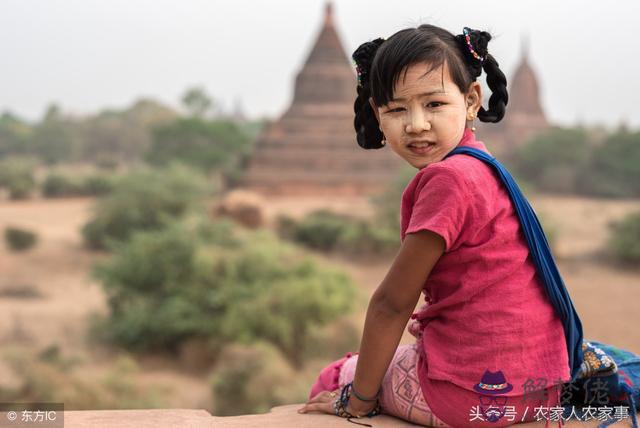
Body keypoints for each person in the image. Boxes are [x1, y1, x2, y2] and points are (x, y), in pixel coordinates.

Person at [297, 24, 573, 427]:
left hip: (470, 397)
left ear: (472, 100)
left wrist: (357, 403)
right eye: (396, 110)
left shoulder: (448, 179)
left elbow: (392, 303)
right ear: (377, 113)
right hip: (539, 388)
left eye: (434, 104)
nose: (416, 125)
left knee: (337, 376)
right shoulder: (484, 167)